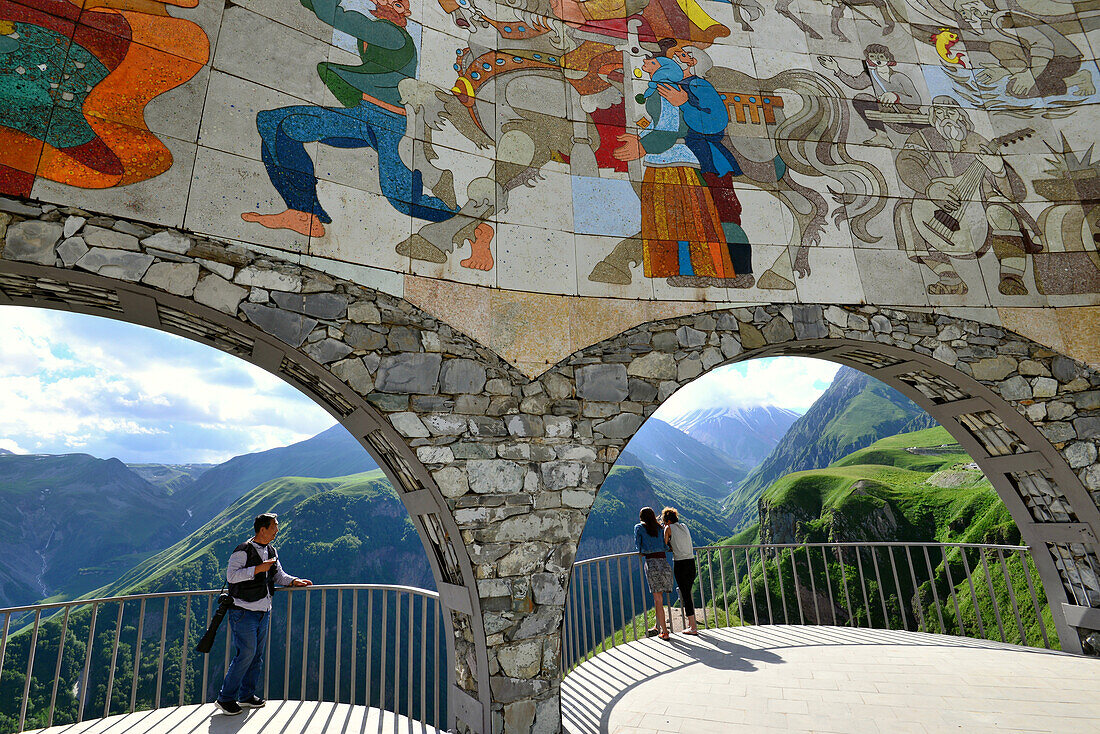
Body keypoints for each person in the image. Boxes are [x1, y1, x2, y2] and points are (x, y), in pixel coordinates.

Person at [241, 0, 457, 238]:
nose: (388, 3)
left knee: (404, 201)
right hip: (363, 114)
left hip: (391, 124)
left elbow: (337, 16)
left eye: (397, 3)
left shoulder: (393, 35)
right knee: (277, 123)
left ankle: (466, 217)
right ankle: (302, 213)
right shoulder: (379, 31)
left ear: (402, 12)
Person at [893, 97, 1040, 296]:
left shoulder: (979, 142)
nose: (946, 118)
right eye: (939, 113)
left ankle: (1011, 278)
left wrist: (999, 172)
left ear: (961, 116)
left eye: (951, 112)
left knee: (999, 209)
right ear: (933, 117)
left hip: (978, 217)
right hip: (937, 211)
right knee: (904, 211)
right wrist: (930, 188)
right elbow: (907, 163)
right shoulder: (924, 138)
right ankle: (949, 277)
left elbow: (1017, 192)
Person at [613, 55, 737, 287]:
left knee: (683, 218)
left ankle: (693, 270)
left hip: (674, 164)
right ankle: (681, 269)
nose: (645, 63)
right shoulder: (662, 89)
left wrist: (643, 146)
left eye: (651, 62)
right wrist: (639, 137)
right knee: (669, 219)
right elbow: (659, 124)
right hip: (664, 161)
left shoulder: (669, 90)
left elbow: (670, 131)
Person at [215, 513, 311, 716]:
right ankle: (225, 698)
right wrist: (258, 569)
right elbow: (231, 577)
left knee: (256, 655)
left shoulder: (271, 550)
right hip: (243, 611)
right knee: (246, 654)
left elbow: (278, 575)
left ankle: (246, 696)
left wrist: (294, 581)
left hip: (263, 611)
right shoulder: (242, 551)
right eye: (275, 526)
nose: (277, 530)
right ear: (263, 529)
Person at [635, 506, 673, 640]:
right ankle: (659, 626)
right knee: (660, 598)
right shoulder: (660, 528)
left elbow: (638, 547)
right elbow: (665, 545)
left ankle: (665, 631)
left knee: (657, 600)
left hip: (652, 564)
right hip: (664, 563)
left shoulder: (639, 528)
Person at [662, 507, 699, 635]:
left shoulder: (668, 528)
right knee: (687, 592)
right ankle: (691, 623)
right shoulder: (684, 526)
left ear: (667, 521)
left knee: (685, 594)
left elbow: (664, 543)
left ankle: (693, 627)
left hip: (680, 564)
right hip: (691, 562)